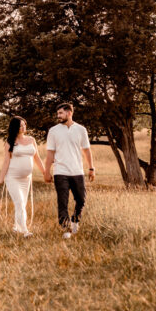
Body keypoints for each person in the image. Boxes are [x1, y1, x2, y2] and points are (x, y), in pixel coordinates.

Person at [44, 102, 95, 239]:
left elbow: (86, 150)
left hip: (77, 171)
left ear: (69, 113)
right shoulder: (53, 131)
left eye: (61, 113)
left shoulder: (81, 130)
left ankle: (75, 221)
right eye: (58, 113)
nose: (58, 116)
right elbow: (50, 153)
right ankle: (65, 228)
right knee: (63, 201)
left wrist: (91, 168)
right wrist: (47, 171)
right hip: (60, 171)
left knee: (81, 199)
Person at [0, 116, 45, 237]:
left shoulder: (31, 140)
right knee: (20, 203)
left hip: (26, 178)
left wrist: (45, 172)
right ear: (15, 127)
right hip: (13, 177)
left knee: (21, 204)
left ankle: (16, 227)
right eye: (20, 125)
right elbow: (6, 161)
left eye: (24, 125)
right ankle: (25, 231)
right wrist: (1, 179)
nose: (23, 127)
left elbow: (37, 158)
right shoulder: (10, 142)